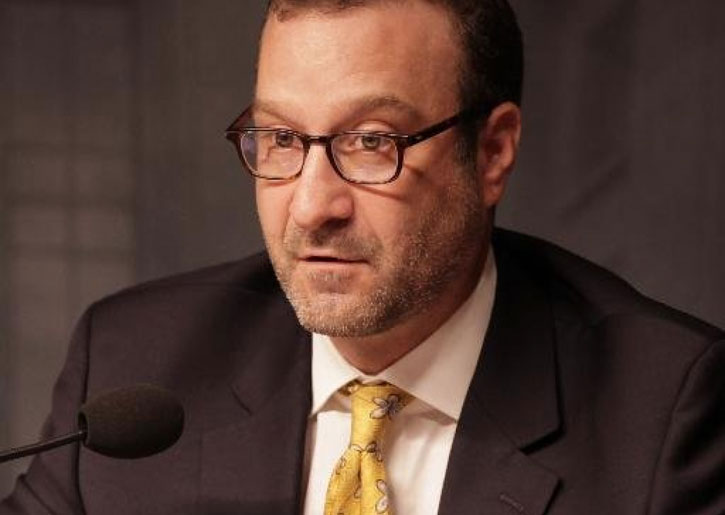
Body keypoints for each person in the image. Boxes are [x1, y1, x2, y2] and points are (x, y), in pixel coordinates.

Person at [2, 0, 724, 513]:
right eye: (282, 139)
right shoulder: (133, 362)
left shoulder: (664, 416)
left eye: (371, 141)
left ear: (492, 151)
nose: (312, 206)